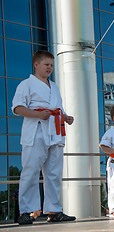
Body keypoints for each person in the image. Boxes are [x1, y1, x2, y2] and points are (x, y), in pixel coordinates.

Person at [11, 50, 76, 225]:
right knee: (31, 171)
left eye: (52, 65)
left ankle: (54, 210)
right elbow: (17, 108)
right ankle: (26, 211)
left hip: (55, 132)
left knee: (54, 173)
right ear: (36, 64)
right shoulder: (26, 84)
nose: (50, 68)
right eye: (47, 65)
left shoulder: (54, 86)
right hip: (36, 131)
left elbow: (57, 109)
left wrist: (65, 117)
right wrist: (37, 115)